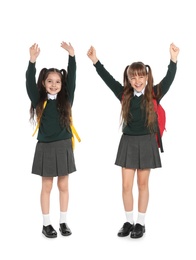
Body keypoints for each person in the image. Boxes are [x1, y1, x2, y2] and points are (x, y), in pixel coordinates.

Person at [87, 43, 179, 238]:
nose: (137, 80)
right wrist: (96, 61)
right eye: (133, 77)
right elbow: (108, 79)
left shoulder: (154, 93)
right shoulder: (124, 95)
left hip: (147, 142)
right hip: (128, 142)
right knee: (126, 186)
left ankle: (141, 223)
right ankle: (129, 221)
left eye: (141, 76)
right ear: (128, 79)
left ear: (146, 77)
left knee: (143, 185)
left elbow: (169, 79)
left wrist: (173, 60)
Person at [26, 41, 77, 238]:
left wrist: (72, 56)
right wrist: (32, 61)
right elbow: (29, 82)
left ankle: (63, 221)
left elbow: (72, 78)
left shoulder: (67, 98)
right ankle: (46, 224)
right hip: (45, 147)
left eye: (57, 81)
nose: (54, 84)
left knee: (63, 185)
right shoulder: (38, 99)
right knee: (46, 186)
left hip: (64, 145)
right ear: (44, 83)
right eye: (50, 81)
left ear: (62, 85)